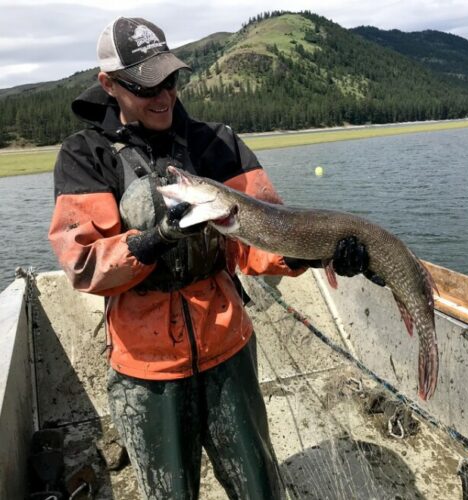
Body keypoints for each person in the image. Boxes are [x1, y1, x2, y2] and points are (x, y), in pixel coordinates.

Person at [48, 16, 372, 500]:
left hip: (229, 348)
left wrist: (309, 254)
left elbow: (261, 238)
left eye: (170, 80)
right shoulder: (84, 155)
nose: (163, 96)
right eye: (144, 85)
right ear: (109, 85)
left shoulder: (216, 143)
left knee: (259, 488)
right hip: (146, 367)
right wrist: (153, 239)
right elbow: (84, 266)